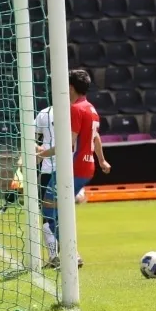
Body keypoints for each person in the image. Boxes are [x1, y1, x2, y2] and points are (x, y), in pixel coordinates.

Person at [36, 70, 111, 269]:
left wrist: (41, 154)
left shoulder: (76, 109)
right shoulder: (91, 108)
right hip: (87, 167)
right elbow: (95, 137)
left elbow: (68, 144)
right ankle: (69, 254)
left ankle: (71, 254)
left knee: (50, 210)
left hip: (73, 167)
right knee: (58, 210)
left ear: (70, 88)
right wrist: (102, 161)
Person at [34, 105, 55, 205]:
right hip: (48, 167)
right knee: (46, 208)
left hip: (69, 167)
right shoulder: (45, 113)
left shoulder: (76, 110)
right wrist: (37, 147)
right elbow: (29, 136)